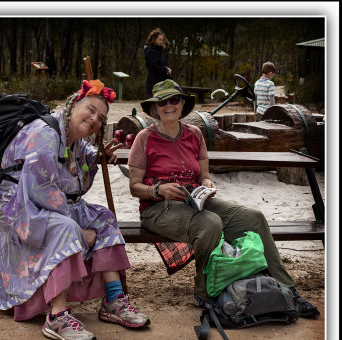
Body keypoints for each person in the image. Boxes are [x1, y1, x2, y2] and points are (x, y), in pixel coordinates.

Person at [127, 79, 319, 318]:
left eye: (174, 100)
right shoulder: (144, 138)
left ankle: (288, 290)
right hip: (158, 209)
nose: (169, 105)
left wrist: (207, 185)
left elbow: (204, 176)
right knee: (210, 223)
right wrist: (159, 190)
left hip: (196, 202)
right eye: (162, 102)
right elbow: (134, 187)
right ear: (154, 108)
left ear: (182, 103)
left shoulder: (195, 134)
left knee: (254, 218)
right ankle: (204, 294)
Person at [0, 79, 150, 340]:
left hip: (44, 204)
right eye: (90, 109)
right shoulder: (45, 134)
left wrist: (96, 159)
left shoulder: (77, 142)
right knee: (66, 228)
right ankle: (57, 315)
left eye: (101, 118)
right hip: (13, 206)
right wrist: (78, 230)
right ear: (74, 105)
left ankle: (113, 300)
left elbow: (78, 186)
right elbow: (39, 188)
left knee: (104, 218)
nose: (94, 119)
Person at [144, 28, 173, 98]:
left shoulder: (158, 51)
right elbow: (154, 67)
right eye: (159, 39)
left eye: (162, 40)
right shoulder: (151, 52)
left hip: (161, 82)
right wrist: (165, 69)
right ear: (154, 39)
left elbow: (160, 65)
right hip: (154, 83)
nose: (161, 41)